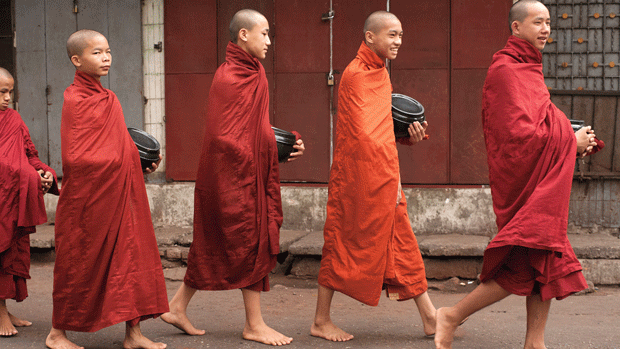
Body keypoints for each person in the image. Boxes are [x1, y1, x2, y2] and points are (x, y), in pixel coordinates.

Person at [434, 1, 601, 348]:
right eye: (537, 22)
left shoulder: (528, 67)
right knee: (522, 267)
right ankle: (450, 315)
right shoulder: (507, 70)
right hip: (525, 187)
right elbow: (517, 137)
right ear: (515, 28)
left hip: (539, 185)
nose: (545, 29)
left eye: (549, 23)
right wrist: (569, 139)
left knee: (546, 262)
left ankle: (534, 342)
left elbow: (542, 122)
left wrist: (570, 139)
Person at [160, 9, 304, 346]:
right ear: (243, 35)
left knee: (216, 241)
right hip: (229, 176)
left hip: (245, 171)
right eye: (264, 33)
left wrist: (283, 146)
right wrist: (270, 147)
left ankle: (177, 306)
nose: (269, 41)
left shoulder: (255, 72)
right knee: (249, 239)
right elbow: (225, 137)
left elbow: (254, 128)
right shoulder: (228, 77)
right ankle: (254, 325)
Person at [310, 11, 436, 343]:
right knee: (341, 241)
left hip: (381, 174)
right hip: (359, 178)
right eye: (391, 35)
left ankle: (431, 317)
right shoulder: (355, 75)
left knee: (403, 244)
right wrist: (388, 181)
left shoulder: (379, 72)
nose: (398, 41)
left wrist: (409, 136)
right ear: (370, 38)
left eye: (400, 35)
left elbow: (380, 130)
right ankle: (321, 321)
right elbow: (364, 136)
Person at [45, 30, 169, 349]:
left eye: (108, 51)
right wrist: (120, 161)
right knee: (78, 263)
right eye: (97, 53)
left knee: (132, 258)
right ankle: (57, 334)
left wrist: (138, 162)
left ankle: (134, 334)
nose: (106, 58)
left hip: (122, 195)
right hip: (89, 201)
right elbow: (76, 156)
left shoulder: (109, 98)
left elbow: (119, 144)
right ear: (77, 60)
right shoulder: (75, 99)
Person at [0, 67, 58, 337]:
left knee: (14, 252)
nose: (7, 98)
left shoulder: (14, 118)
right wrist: (26, 174)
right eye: (2, 92)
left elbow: (28, 155)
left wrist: (43, 173)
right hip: (1, 198)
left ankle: (5, 309)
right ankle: (0, 313)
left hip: (14, 198)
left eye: (10, 91)